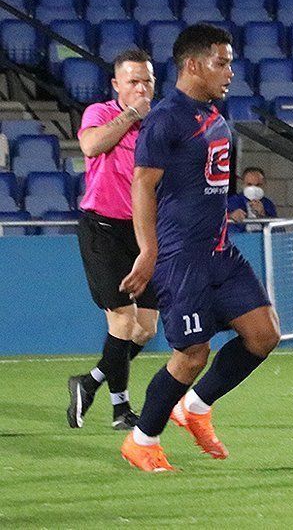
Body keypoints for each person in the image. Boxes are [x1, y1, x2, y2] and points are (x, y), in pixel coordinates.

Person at [118, 24, 281, 472]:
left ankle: (196, 408)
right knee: (191, 354)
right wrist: (148, 252)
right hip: (180, 256)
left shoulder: (216, 118)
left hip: (220, 250)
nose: (230, 72)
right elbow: (142, 185)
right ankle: (142, 440)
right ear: (193, 64)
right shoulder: (166, 117)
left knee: (264, 335)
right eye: (221, 62)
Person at [67, 49, 158, 431]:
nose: (141, 88)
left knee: (146, 329)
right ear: (116, 84)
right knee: (122, 320)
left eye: (147, 81)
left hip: (141, 232)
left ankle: (88, 382)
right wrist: (132, 113)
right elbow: (90, 146)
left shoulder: (160, 123)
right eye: (133, 81)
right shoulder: (101, 113)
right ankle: (121, 410)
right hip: (103, 228)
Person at [228, 166, 277, 233]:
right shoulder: (232, 201)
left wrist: (263, 215)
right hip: (239, 240)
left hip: (262, 241)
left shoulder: (268, 204)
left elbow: (278, 231)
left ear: (264, 185)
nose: (253, 188)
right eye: (249, 184)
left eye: (258, 185)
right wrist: (231, 216)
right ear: (242, 184)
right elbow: (217, 224)